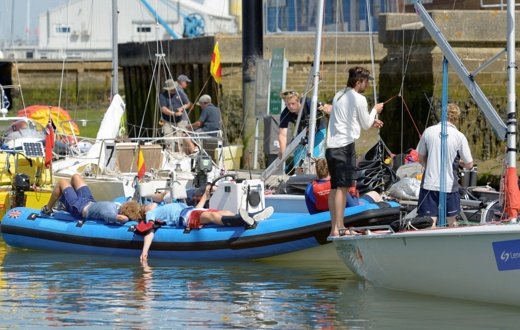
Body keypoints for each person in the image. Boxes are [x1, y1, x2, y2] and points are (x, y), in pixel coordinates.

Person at [139, 185, 274, 261]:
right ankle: (241, 221)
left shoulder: (160, 205)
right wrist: (145, 251)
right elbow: (149, 230)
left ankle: (251, 216)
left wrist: (206, 195)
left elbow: (157, 198)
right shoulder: (151, 213)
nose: (151, 205)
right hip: (185, 217)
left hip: (192, 210)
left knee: (225, 211)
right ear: (144, 211)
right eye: (148, 205)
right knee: (212, 216)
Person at [325, 66, 384, 237]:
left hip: (331, 147)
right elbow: (365, 124)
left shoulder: (339, 94)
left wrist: (371, 120)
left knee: (335, 187)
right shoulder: (360, 99)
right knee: (343, 189)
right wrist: (375, 111)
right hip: (345, 147)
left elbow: (349, 119)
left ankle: (333, 227)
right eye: (365, 82)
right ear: (359, 82)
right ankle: (339, 227)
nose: (367, 85)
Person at [416, 103, 473, 227]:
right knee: (452, 222)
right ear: (456, 118)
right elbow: (469, 164)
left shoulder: (428, 131)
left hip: (429, 184)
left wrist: (429, 163)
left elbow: (419, 157)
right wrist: (459, 162)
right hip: (449, 185)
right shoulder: (459, 136)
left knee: (429, 222)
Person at [41, 173, 142, 224]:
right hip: (89, 200)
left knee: (61, 182)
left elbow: (122, 219)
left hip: (80, 209)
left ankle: (48, 208)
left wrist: (130, 218)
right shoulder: (118, 206)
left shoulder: (111, 214)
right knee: (76, 177)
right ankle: (65, 203)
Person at [304, 158, 383, 215]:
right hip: (348, 215)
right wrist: (354, 194)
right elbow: (354, 207)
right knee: (374, 194)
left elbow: (312, 213)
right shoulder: (339, 185)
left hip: (325, 219)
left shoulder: (309, 188)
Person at [277, 89, 332, 160]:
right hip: (302, 132)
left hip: (318, 130)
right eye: (287, 104)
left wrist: (326, 109)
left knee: (314, 155)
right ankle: (298, 169)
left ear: (298, 100)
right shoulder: (286, 113)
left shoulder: (308, 103)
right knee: (298, 156)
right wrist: (282, 149)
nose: (290, 107)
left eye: (293, 103)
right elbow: (282, 134)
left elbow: (330, 107)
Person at [159, 79, 190, 150]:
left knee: (180, 138)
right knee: (168, 139)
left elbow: (187, 103)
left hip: (179, 121)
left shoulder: (179, 93)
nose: (174, 90)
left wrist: (182, 108)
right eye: (172, 89)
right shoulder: (162, 96)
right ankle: (169, 152)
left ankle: (180, 152)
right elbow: (163, 109)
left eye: (174, 88)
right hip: (167, 121)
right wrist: (174, 114)